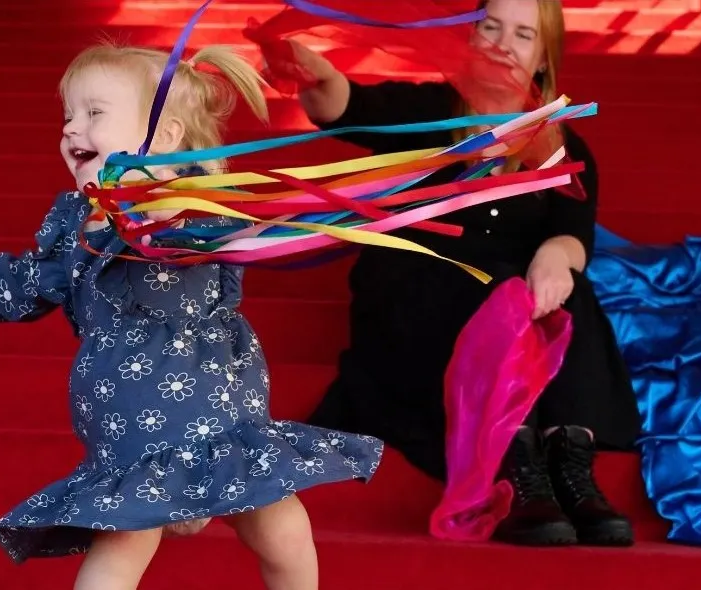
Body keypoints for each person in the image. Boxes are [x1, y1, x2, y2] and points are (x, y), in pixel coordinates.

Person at [0, 42, 384, 590]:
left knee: (280, 529)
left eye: (94, 114)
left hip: (219, 408)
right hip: (130, 418)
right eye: (68, 115)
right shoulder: (77, 223)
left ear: (166, 138)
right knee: (124, 542)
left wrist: (164, 202)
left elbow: (230, 236)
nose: (71, 129)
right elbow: (28, 281)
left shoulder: (193, 206)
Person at [264, 0, 639, 548]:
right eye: (491, 28)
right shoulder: (431, 111)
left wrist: (557, 260)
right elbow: (346, 106)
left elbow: (573, 230)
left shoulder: (563, 146)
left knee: (566, 292)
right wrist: (319, 76)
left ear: (542, 58)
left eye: (522, 34)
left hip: (512, 295)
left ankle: (569, 464)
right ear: (469, 37)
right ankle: (515, 463)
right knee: (481, 284)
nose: (503, 43)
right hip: (417, 293)